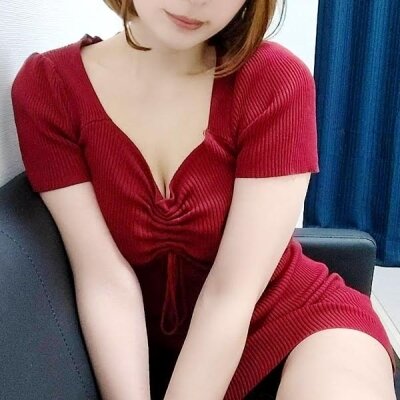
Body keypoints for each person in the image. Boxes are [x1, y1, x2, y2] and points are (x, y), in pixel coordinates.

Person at [11, 0, 397, 399]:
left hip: (294, 324)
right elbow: (104, 278)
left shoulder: (275, 80)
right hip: (141, 359)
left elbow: (232, 293)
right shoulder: (49, 88)